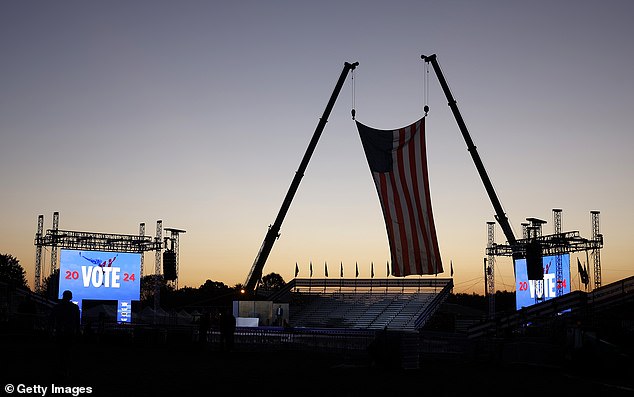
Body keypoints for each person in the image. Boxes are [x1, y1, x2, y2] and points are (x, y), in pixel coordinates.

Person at [50, 290, 81, 377]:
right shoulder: (74, 308)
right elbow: (77, 321)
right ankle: (66, 370)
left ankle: (60, 369)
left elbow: (52, 320)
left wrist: (51, 330)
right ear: (70, 297)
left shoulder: (57, 307)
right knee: (68, 352)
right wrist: (78, 331)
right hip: (70, 332)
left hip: (59, 332)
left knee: (60, 351)